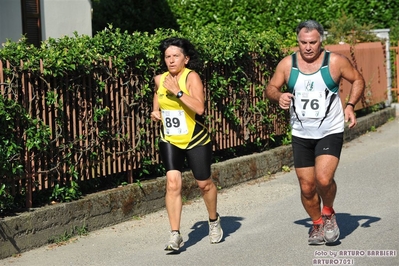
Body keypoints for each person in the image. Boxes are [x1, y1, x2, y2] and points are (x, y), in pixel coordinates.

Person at [265, 20, 365, 245]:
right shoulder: (287, 65)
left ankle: (328, 213)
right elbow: (270, 88)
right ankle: (317, 223)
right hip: (301, 133)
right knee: (307, 186)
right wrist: (278, 96)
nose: (308, 47)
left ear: (321, 40)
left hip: (329, 130)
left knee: (323, 178)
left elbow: (357, 79)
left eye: (313, 42)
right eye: (303, 42)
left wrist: (350, 106)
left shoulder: (335, 62)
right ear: (297, 41)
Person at [151, 37, 223, 251]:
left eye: (176, 56)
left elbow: (200, 108)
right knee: (173, 183)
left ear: (186, 59)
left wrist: (178, 92)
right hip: (170, 137)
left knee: (204, 183)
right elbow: (157, 99)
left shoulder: (192, 77)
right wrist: (156, 112)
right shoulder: (159, 79)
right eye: (167, 57)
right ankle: (175, 234)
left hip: (195, 137)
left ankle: (213, 220)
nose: (171, 60)